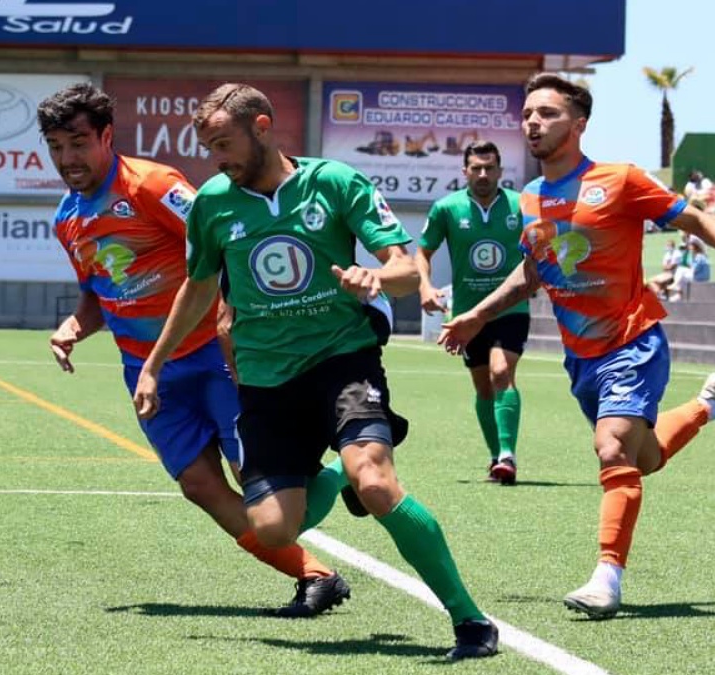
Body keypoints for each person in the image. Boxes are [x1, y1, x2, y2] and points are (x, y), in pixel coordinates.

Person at [133, 83, 498, 660]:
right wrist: (153, 365)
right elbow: (199, 286)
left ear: (261, 126)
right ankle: (334, 479)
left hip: (341, 360)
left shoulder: (334, 182)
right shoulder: (212, 203)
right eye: (209, 148)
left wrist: (377, 279)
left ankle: (470, 622)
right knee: (275, 530)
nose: (217, 159)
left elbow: (404, 267)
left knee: (376, 482)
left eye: (223, 143)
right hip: (265, 382)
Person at [439, 73, 715, 620]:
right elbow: (532, 273)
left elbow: (690, 216)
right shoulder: (530, 200)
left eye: (547, 113)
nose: (533, 122)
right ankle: (713, 403)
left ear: (578, 124)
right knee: (643, 458)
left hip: (633, 339)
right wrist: (475, 317)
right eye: (527, 114)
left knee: (613, 447)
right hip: (583, 358)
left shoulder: (619, 180)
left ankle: (606, 577)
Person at [37, 83, 350, 619]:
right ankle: (314, 575)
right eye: (56, 146)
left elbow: (229, 242)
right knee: (201, 485)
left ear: (106, 137)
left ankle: (349, 468)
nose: (68, 158)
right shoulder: (68, 218)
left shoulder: (153, 185)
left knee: (255, 479)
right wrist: (74, 324)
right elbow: (100, 292)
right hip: (145, 370)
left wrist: (235, 315)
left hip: (212, 356)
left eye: (78, 143)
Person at [415, 140, 527, 484]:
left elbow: (541, 246)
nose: (482, 174)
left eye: (489, 168)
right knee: (482, 387)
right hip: (466, 315)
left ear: (500, 171)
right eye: (476, 168)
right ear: (464, 171)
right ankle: (496, 456)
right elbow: (423, 251)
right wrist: (424, 286)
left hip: (511, 308)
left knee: (500, 372)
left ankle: (508, 454)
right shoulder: (446, 208)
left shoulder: (520, 205)